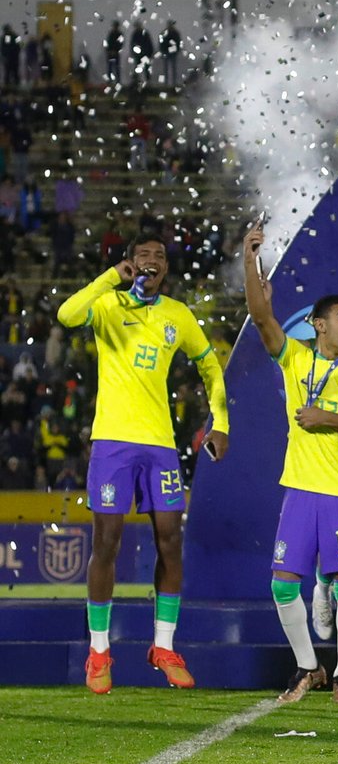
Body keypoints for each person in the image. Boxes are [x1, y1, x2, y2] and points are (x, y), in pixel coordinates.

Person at [57, 233, 230, 694]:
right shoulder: (108, 305)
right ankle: (99, 651)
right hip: (113, 441)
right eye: (143, 256)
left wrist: (221, 422)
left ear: (166, 268)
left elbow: (210, 366)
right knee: (107, 542)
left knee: (170, 540)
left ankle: (164, 647)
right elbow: (67, 315)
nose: (152, 261)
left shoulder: (177, 314)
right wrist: (111, 277)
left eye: (159, 256)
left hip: (159, 445)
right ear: (130, 262)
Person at [243, 225, 338, 704]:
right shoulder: (296, 359)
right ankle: (309, 667)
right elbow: (260, 316)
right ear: (319, 325)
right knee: (283, 584)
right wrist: (249, 259)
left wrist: (327, 418)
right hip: (301, 490)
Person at [159, 20, 182, 84]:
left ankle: (172, 82)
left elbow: (178, 43)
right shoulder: (174, 33)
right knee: (167, 68)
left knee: (172, 68)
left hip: (171, 52)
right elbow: (161, 43)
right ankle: (168, 82)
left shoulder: (174, 33)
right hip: (168, 52)